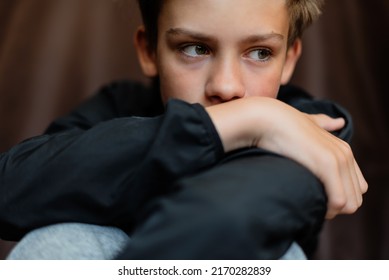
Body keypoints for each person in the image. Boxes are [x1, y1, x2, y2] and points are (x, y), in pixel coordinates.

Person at [0, 0, 367, 260]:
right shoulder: (119, 105)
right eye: (195, 48)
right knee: (58, 243)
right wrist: (249, 121)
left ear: (289, 59)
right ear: (149, 51)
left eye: (259, 53)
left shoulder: (313, 130)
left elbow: (224, 219)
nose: (226, 86)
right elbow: (10, 189)